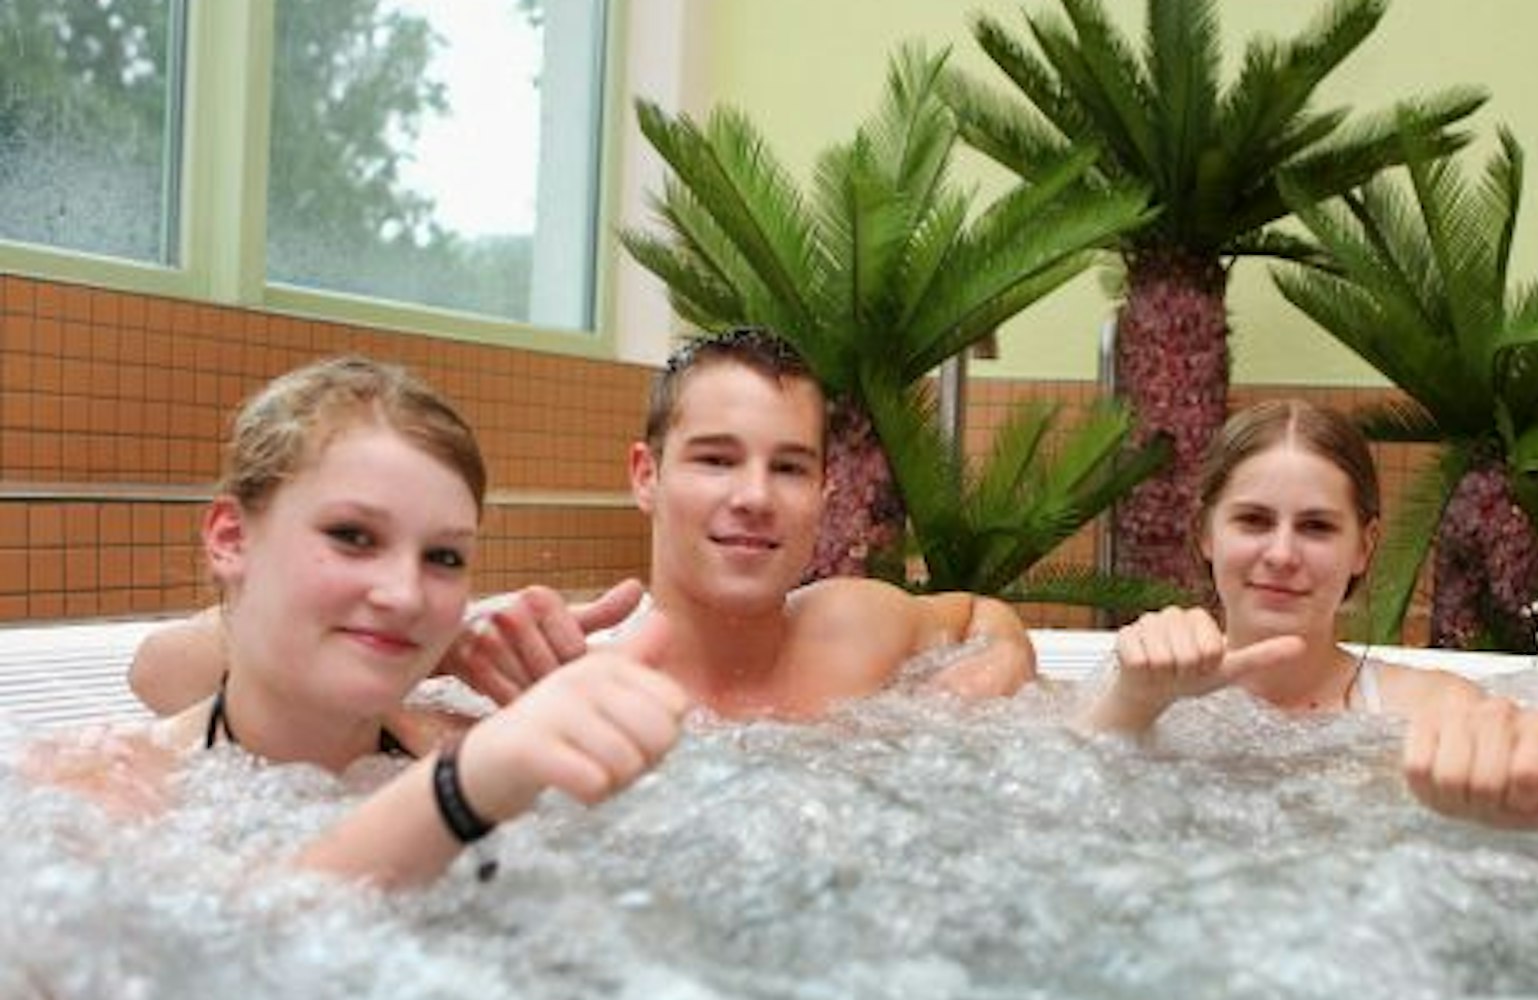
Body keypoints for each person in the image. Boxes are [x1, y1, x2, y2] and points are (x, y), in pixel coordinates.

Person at [129, 328, 1036, 722]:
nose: (755, 495)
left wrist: (1003, 656)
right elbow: (162, 678)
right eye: (716, 459)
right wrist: (431, 642)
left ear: (825, 491)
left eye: (788, 466)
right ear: (646, 476)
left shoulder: (858, 620)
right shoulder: (563, 671)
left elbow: (976, 615)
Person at [38, 357, 690, 888]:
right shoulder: (99, 792)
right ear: (231, 538)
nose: (404, 593)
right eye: (353, 536)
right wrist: (459, 792)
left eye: (444, 556)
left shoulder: (483, 745)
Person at [1072, 398, 1538, 829]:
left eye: (1317, 527)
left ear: (1364, 547)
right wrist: (1133, 704)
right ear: (1205, 534)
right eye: (1252, 520)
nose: (1281, 554)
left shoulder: (1433, 710)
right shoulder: (1130, 692)